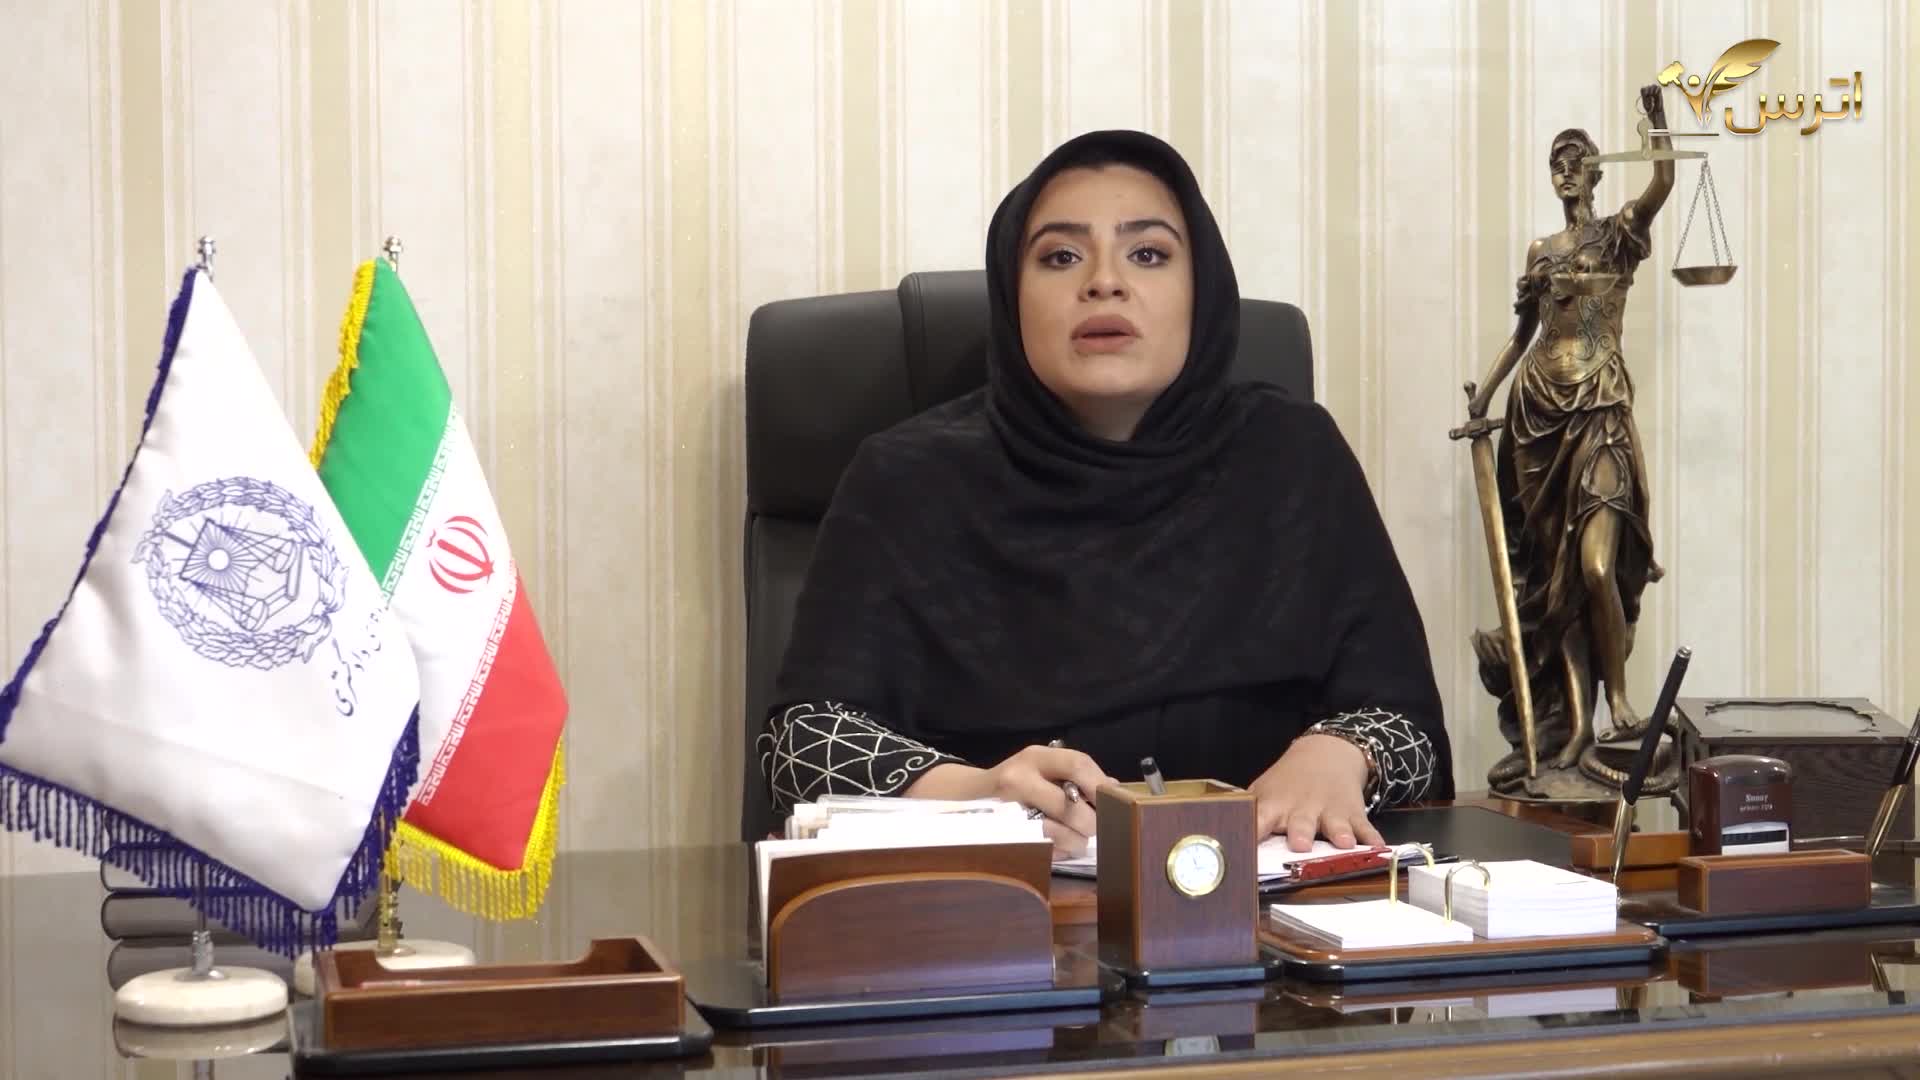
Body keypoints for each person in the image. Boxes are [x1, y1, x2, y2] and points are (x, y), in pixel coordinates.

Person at [759, 129, 1450, 855]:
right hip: (1002, 901)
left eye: (1147, 254)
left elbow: (1408, 726)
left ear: (1203, 291)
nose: (1104, 282)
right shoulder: (907, 478)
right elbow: (803, 743)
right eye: (1061, 256)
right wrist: (975, 794)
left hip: (1264, 902)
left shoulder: (1293, 457)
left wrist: (1341, 753)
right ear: (1011, 297)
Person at [1467, 84, 1669, 788]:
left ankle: (1620, 700)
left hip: (1601, 411)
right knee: (1558, 585)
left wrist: (1659, 124)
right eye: (1556, 162)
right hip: (1536, 420)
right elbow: (1525, 333)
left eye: (1576, 160)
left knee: (1597, 568)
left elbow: (1664, 181)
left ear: (1596, 171)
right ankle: (1578, 723)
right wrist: (1484, 397)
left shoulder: (1619, 235)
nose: (1565, 171)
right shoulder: (1542, 250)